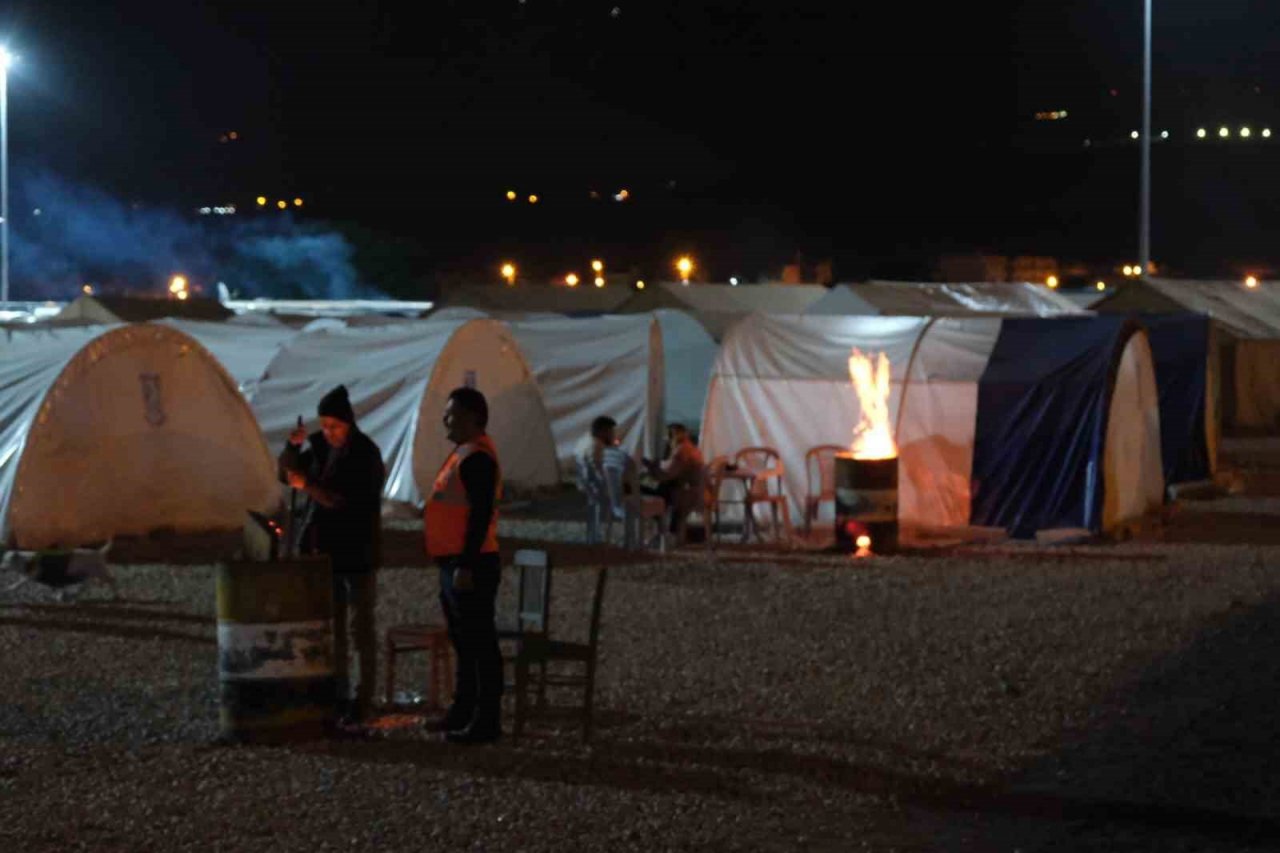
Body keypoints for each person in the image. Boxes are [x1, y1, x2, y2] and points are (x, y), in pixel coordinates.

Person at [279, 384, 385, 728]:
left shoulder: (365, 454)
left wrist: (306, 486)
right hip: (326, 550)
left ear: (349, 423)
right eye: (324, 426)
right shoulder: (322, 447)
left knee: (360, 627)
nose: (328, 433)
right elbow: (288, 472)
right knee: (334, 626)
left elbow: (342, 501)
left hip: (358, 549)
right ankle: (338, 693)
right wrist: (292, 448)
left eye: (334, 426)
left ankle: (364, 695)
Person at [425, 387, 504, 745]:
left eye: (453, 415)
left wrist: (466, 564)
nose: (446, 420)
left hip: (471, 562)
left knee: (478, 642)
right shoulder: (463, 455)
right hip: (456, 560)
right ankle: (464, 710)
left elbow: (479, 514)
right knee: (464, 641)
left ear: (475, 418)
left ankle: (486, 720)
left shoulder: (477, 458)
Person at [642, 423, 705, 532]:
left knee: (642, 487)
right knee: (649, 485)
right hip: (690, 488)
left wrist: (652, 469)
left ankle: (658, 528)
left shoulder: (681, 451)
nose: (668, 439)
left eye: (670, 435)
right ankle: (661, 528)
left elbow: (668, 476)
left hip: (684, 491)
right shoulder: (691, 448)